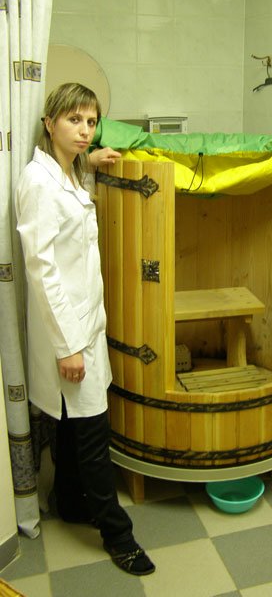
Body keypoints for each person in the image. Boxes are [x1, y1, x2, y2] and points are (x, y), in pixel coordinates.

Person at [15, 82, 155, 576]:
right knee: (94, 434)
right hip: (69, 333)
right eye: (74, 120)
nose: (85, 130)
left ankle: (70, 501)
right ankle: (118, 535)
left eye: (91, 122)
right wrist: (68, 346)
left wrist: (89, 165)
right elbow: (42, 270)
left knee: (73, 428)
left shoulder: (68, 173)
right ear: (49, 122)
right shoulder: (38, 182)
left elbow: (72, 210)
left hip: (86, 325)